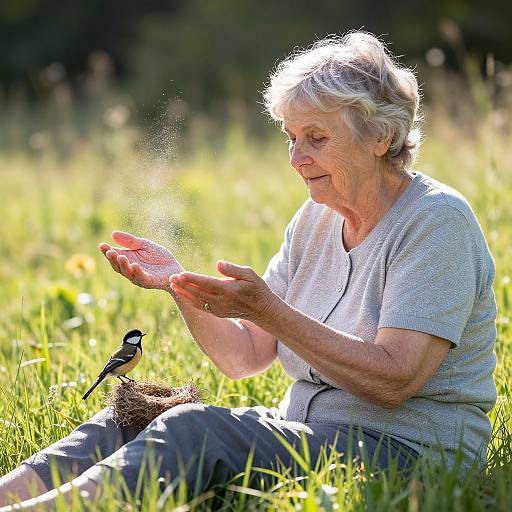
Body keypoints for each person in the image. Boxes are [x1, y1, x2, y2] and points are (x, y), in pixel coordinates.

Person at [0, 31, 497, 510]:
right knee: (129, 420)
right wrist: (180, 284)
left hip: (407, 455)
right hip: (309, 435)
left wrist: (270, 311)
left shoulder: (436, 223)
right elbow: (245, 356)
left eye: (316, 138)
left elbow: (394, 380)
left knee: (192, 430)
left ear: (380, 136)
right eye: (291, 137)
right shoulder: (314, 219)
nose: (297, 157)